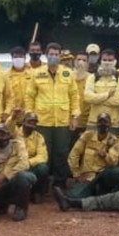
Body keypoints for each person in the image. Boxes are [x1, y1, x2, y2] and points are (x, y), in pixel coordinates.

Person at [25, 42, 80, 185]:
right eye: (51, 54)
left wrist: (75, 116)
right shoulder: (37, 73)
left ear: (60, 56)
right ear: (46, 55)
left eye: (56, 54)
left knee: (61, 153)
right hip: (42, 121)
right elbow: (29, 96)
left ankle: (60, 184)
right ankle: (41, 186)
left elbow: (74, 96)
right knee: (44, 154)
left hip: (62, 121)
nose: (54, 57)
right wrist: (30, 115)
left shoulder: (68, 73)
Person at [55, 112, 119, 205]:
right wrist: (76, 175)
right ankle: (73, 200)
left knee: (117, 171)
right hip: (87, 177)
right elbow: (73, 155)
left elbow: (114, 162)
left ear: (110, 124)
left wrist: (105, 156)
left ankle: (101, 194)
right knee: (75, 194)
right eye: (100, 122)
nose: (103, 125)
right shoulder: (87, 136)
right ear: (96, 124)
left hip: (102, 175)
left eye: (105, 122)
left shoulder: (113, 140)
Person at [83, 48, 119, 132]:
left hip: (113, 123)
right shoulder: (92, 77)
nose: (107, 62)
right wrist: (107, 95)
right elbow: (88, 97)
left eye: (110, 60)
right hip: (94, 122)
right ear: (100, 61)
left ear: (115, 61)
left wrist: (96, 99)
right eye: (104, 60)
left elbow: (118, 101)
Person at [19, 111, 51, 199]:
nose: (31, 125)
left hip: (30, 165)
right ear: (23, 122)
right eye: (29, 122)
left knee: (43, 168)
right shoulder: (15, 134)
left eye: (34, 123)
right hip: (15, 165)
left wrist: (28, 162)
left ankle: (37, 191)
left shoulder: (39, 137)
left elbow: (43, 156)